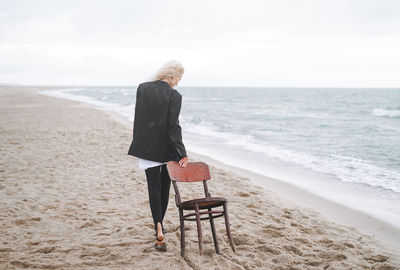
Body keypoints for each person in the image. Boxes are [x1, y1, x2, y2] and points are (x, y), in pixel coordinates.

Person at [127, 60, 189, 252]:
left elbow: (140, 117)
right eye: (179, 78)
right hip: (166, 147)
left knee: (153, 187)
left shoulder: (143, 88)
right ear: (172, 75)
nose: (178, 82)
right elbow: (173, 126)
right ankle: (160, 225)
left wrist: (141, 140)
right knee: (164, 187)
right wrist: (181, 152)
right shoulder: (174, 95)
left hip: (147, 146)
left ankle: (158, 227)